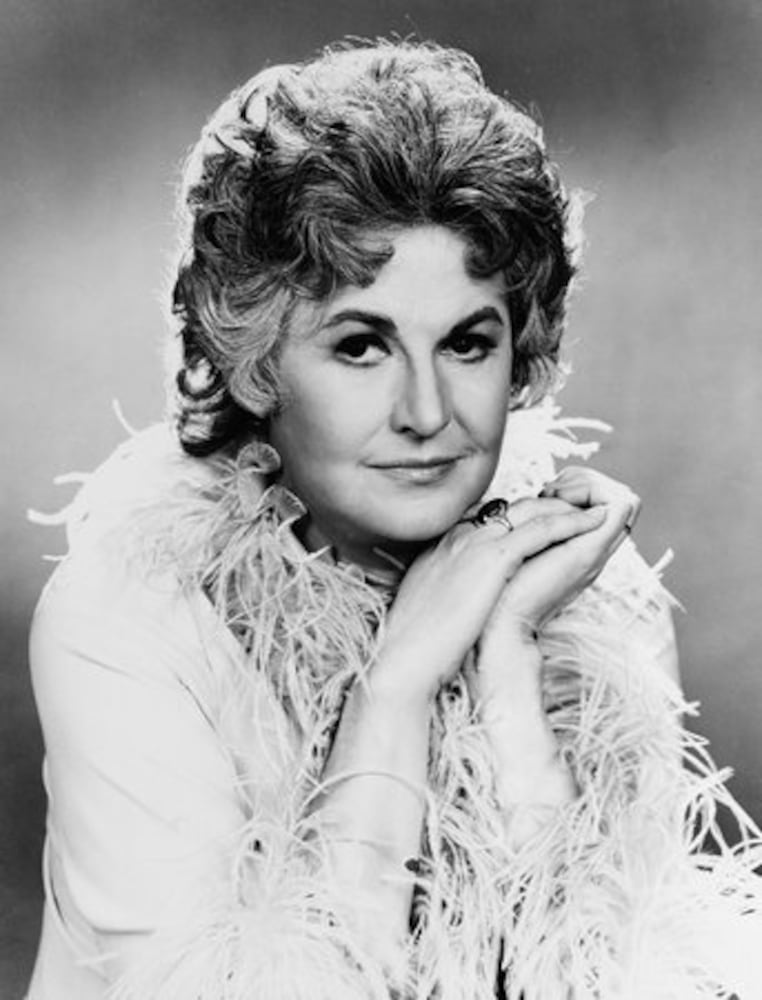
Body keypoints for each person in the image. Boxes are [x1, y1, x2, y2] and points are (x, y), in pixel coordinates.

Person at [26, 38, 762, 1000]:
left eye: (466, 343)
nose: (426, 412)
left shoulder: (593, 608)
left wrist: (506, 664)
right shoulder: (133, 617)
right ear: (256, 362)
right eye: (361, 346)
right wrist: (397, 688)